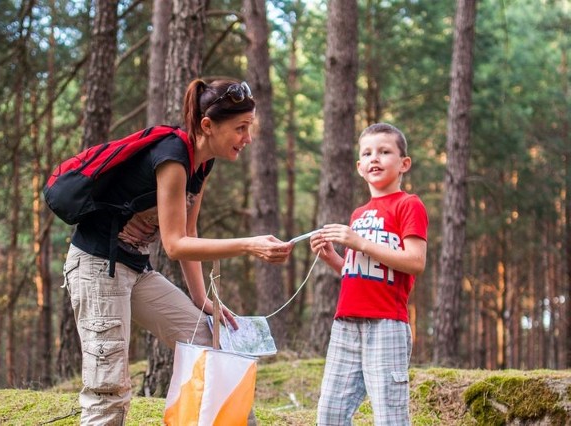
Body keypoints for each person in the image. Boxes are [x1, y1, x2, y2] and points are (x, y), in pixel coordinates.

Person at [62, 78, 293, 425]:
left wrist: (202, 301)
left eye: (250, 127)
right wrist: (248, 245)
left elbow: (190, 231)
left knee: (206, 339)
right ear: (207, 125)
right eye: (241, 128)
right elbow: (174, 245)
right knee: (108, 389)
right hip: (97, 268)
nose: (248, 138)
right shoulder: (172, 157)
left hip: (135, 269)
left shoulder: (202, 163)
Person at [310, 123, 428, 425]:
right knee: (330, 413)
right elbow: (359, 272)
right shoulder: (359, 214)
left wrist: (360, 242)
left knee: (389, 415)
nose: (375, 158)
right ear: (360, 167)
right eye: (367, 153)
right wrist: (333, 258)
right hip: (346, 323)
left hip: (386, 323)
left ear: (404, 163)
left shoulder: (408, 205)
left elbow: (415, 262)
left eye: (385, 151)